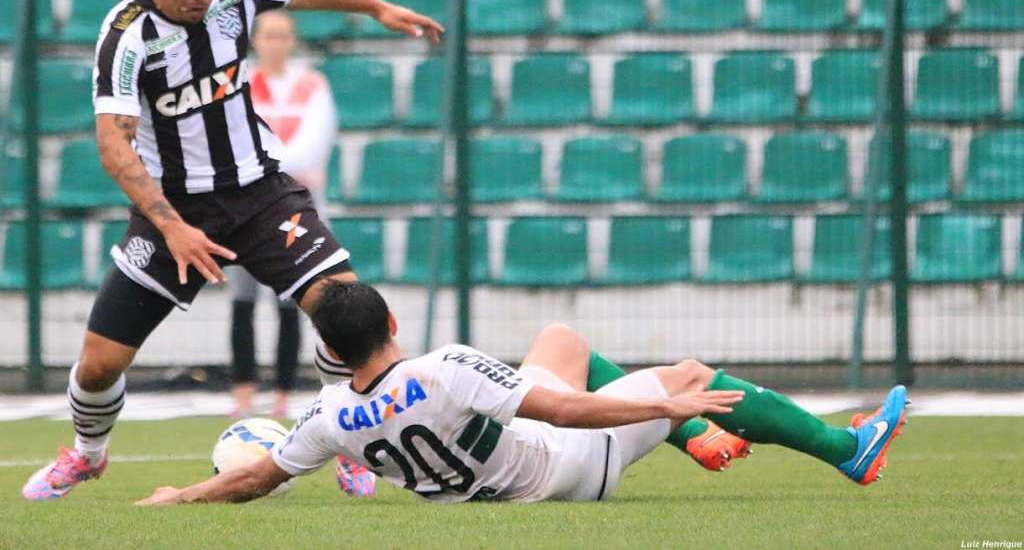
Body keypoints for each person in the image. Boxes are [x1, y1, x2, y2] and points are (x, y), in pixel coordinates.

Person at [21, 0, 442, 501]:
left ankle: (348, 439)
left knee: (349, 314)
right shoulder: (127, 35)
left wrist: (373, 7)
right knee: (98, 364)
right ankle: (88, 455)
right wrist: (171, 227)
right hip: (172, 211)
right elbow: (113, 144)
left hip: (261, 194)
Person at [136, 281, 910, 506]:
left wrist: (179, 497)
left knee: (562, 344)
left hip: (492, 477)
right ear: (394, 321)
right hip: (566, 467)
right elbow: (568, 412)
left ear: (331, 353)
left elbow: (254, 479)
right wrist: (665, 407)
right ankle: (851, 449)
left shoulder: (327, 418)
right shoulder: (445, 365)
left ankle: (693, 438)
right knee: (695, 376)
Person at [228, 10, 336, 420]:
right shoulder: (238, 85)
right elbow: (236, 141)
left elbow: (314, 143)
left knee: (290, 298)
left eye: (282, 35)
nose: (275, 43)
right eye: (268, 35)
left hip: (295, 207)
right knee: (242, 299)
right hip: (245, 208)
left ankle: (283, 394)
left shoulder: (312, 86)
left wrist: (266, 166)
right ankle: (242, 391)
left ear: (292, 41)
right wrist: (279, 167)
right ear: (256, 41)